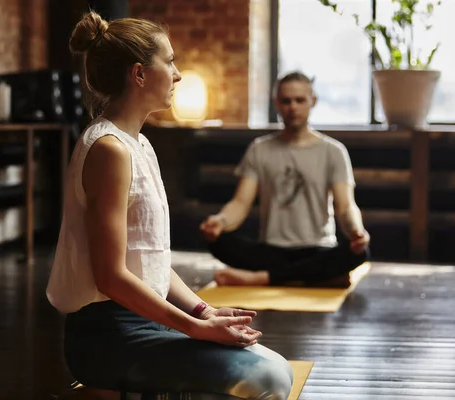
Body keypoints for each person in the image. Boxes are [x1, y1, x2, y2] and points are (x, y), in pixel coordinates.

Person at [45, 12, 293, 399]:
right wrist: (194, 329)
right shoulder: (108, 149)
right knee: (268, 381)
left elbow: (150, 260)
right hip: (109, 336)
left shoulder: (139, 144)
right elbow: (110, 277)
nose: (177, 74)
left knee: (275, 367)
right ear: (139, 74)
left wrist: (202, 312)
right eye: (170, 61)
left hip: (145, 320)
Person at [200, 71, 370, 288]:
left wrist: (357, 231)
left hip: (318, 248)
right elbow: (240, 203)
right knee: (218, 242)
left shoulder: (334, 151)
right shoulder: (259, 149)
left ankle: (262, 279)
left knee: (359, 252)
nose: (293, 107)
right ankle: (314, 278)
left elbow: (346, 206)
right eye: (286, 101)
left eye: (300, 100)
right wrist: (219, 222)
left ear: (313, 101)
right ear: (277, 103)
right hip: (272, 251)